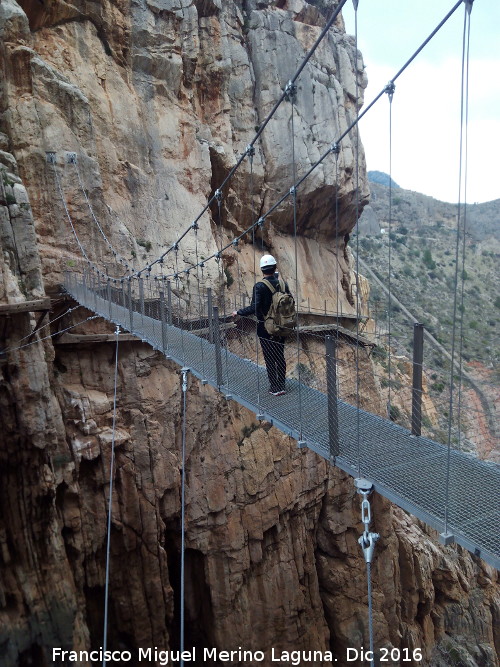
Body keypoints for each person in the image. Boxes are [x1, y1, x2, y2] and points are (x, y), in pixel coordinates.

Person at [232, 255, 291, 396]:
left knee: (270, 357)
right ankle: (282, 385)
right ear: (275, 267)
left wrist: (238, 312)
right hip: (282, 326)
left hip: (265, 328)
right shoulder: (283, 285)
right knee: (280, 355)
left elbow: (254, 307)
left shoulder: (259, 286)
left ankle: (275, 388)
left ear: (261, 269)